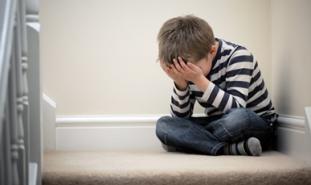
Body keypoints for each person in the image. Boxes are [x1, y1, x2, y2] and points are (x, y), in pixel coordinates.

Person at [155, 15, 278, 156]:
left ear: (211, 51)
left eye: (191, 70)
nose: (186, 74)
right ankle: (230, 149)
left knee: (238, 118)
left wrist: (198, 79)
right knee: (164, 125)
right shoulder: (188, 69)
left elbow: (237, 107)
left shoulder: (239, 56)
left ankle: (192, 143)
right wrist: (180, 84)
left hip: (254, 122)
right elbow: (181, 118)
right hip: (220, 125)